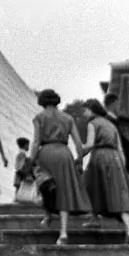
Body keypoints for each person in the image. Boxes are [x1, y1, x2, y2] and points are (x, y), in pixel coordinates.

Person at [27, 89, 88, 245]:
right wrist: (80, 160)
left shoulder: (39, 118)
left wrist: (29, 160)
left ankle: (48, 215)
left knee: (46, 185)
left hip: (46, 153)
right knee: (64, 191)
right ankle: (63, 233)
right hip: (64, 154)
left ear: (42, 101)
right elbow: (79, 143)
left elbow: (35, 142)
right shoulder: (68, 118)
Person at [76, 98, 129, 243]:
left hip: (99, 157)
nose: (84, 114)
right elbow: (120, 149)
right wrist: (123, 169)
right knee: (119, 194)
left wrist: (79, 156)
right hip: (116, 159)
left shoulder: (93, 123)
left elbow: (90, 144)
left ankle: (94, 218)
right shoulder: (111, 125)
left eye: (85, 110)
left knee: (90, 187)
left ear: (92, 110)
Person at [12, 138, 40, 205]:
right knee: (19, 188)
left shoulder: (20, 153)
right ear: (25, 145)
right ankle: (16, 202)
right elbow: (21, 166)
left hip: (18, 175)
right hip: (20, 175)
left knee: (18, 189)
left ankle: (16, 201)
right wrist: (26, 174)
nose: (28, 147)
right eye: (28, 145)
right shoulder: (22, 154)